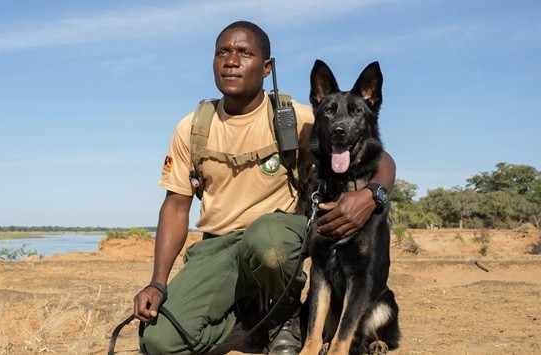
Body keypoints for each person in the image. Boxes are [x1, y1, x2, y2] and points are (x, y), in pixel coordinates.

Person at [132, 21, 396, 354]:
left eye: (244, 52)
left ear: (267, 67)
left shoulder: (296, 117)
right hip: (217, 247)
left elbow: (382, 158)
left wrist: (372, 196)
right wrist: (158, 281)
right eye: (222, 53)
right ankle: (249, 329)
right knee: (160, 342)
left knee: (266, 238)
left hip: (277, 239)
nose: (231, 60)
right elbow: (175, 206)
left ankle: (282, 317)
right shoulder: (192, 127)